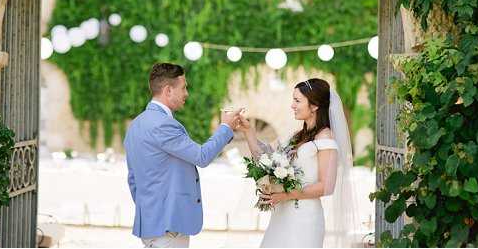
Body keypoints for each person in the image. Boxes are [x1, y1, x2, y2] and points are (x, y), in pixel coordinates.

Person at [124, 63, 241, 248]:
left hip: (151, 223)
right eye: (184, 87)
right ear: (168, 90)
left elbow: (133, 179)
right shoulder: (163, 124)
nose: (186, 93)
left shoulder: (136, 125)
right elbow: (201, 157)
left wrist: (149, 211)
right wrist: (225, 128)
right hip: (168, 225)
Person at [236, 78, 359, 248]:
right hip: (282, 214)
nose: (292, 105)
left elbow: (326, 187)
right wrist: (248, 131)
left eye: (297, 100)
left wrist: (284, 195)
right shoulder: (296, 136)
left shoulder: (326, 139)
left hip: (305, 218)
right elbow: (265, 158)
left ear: (314, 106)